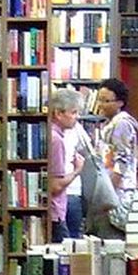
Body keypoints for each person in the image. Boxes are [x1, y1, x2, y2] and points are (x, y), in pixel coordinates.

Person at [95, 78, 138, 230]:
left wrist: (108, 192)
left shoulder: (121, 124)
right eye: (99, 99)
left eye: (106, 100)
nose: (100, 105)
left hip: (119, 191)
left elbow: (122, 160)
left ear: (120, 102)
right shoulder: (109, 123)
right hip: (111, 187)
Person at [47, 88, 85, 241]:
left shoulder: (50, 133)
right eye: (74, 112)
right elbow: (55, 186)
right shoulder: (56, 140)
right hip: (55, 211)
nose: (77, 117)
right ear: (58, 113)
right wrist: (77, 170)